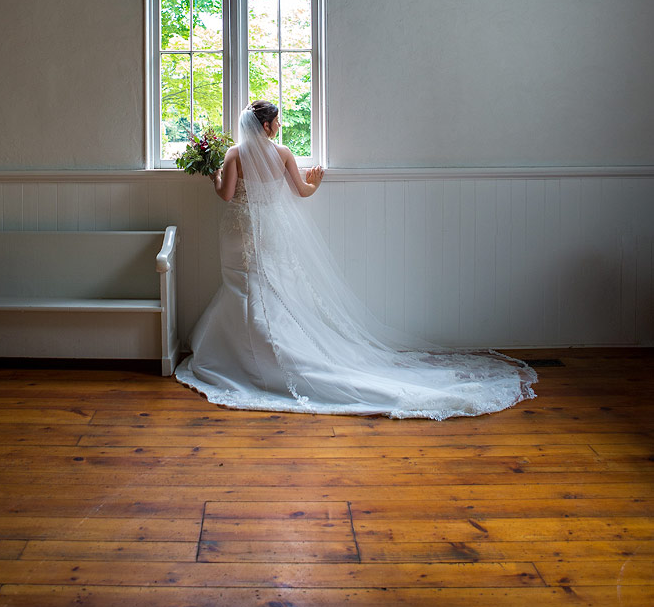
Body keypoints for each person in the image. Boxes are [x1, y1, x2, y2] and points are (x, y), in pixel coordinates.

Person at [175, 100, 538, 418]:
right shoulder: (283, 153)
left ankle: (245, 358)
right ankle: (266, 353)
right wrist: (315, 181)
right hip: (270, 229)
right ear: (267, 125)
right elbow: (301, 192)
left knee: (242, 284)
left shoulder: (235, 154)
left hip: (238, 230)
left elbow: (225, 196)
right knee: (271, 286)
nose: (281, 125)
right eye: (278, 121)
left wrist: (214, 176)